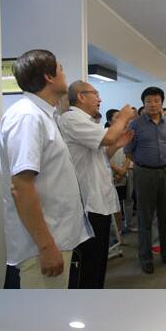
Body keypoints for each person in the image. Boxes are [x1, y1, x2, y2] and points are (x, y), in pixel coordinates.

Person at [0, 49, 93, 288]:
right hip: (42, 247)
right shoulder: (27, 117)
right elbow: (21, 187)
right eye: (61, 69)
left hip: (56, 237)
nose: (65, 75)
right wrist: (46, 246)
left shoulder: (43, 115)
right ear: (49, 77)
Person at [58, 81, 134, 288]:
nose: (99, 99)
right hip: (87, 203)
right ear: (81, 96)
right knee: (89, 263)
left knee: (99, 259)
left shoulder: (88, 121)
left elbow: (101, 155)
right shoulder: (71, 118)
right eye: (95, 94)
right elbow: (108, 137)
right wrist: (123, 117)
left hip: (99, 200)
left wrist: (117, 145)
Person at [125, 86, 166, 274]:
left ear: (162, 102)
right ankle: (146, 258)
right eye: (148, 101)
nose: (153, 104)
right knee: (145, 217)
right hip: (144, 173)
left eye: (156, 101)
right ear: (143, 103)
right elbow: (128, 151)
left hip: (165, 171)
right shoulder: (135, 124)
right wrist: (143, 164)